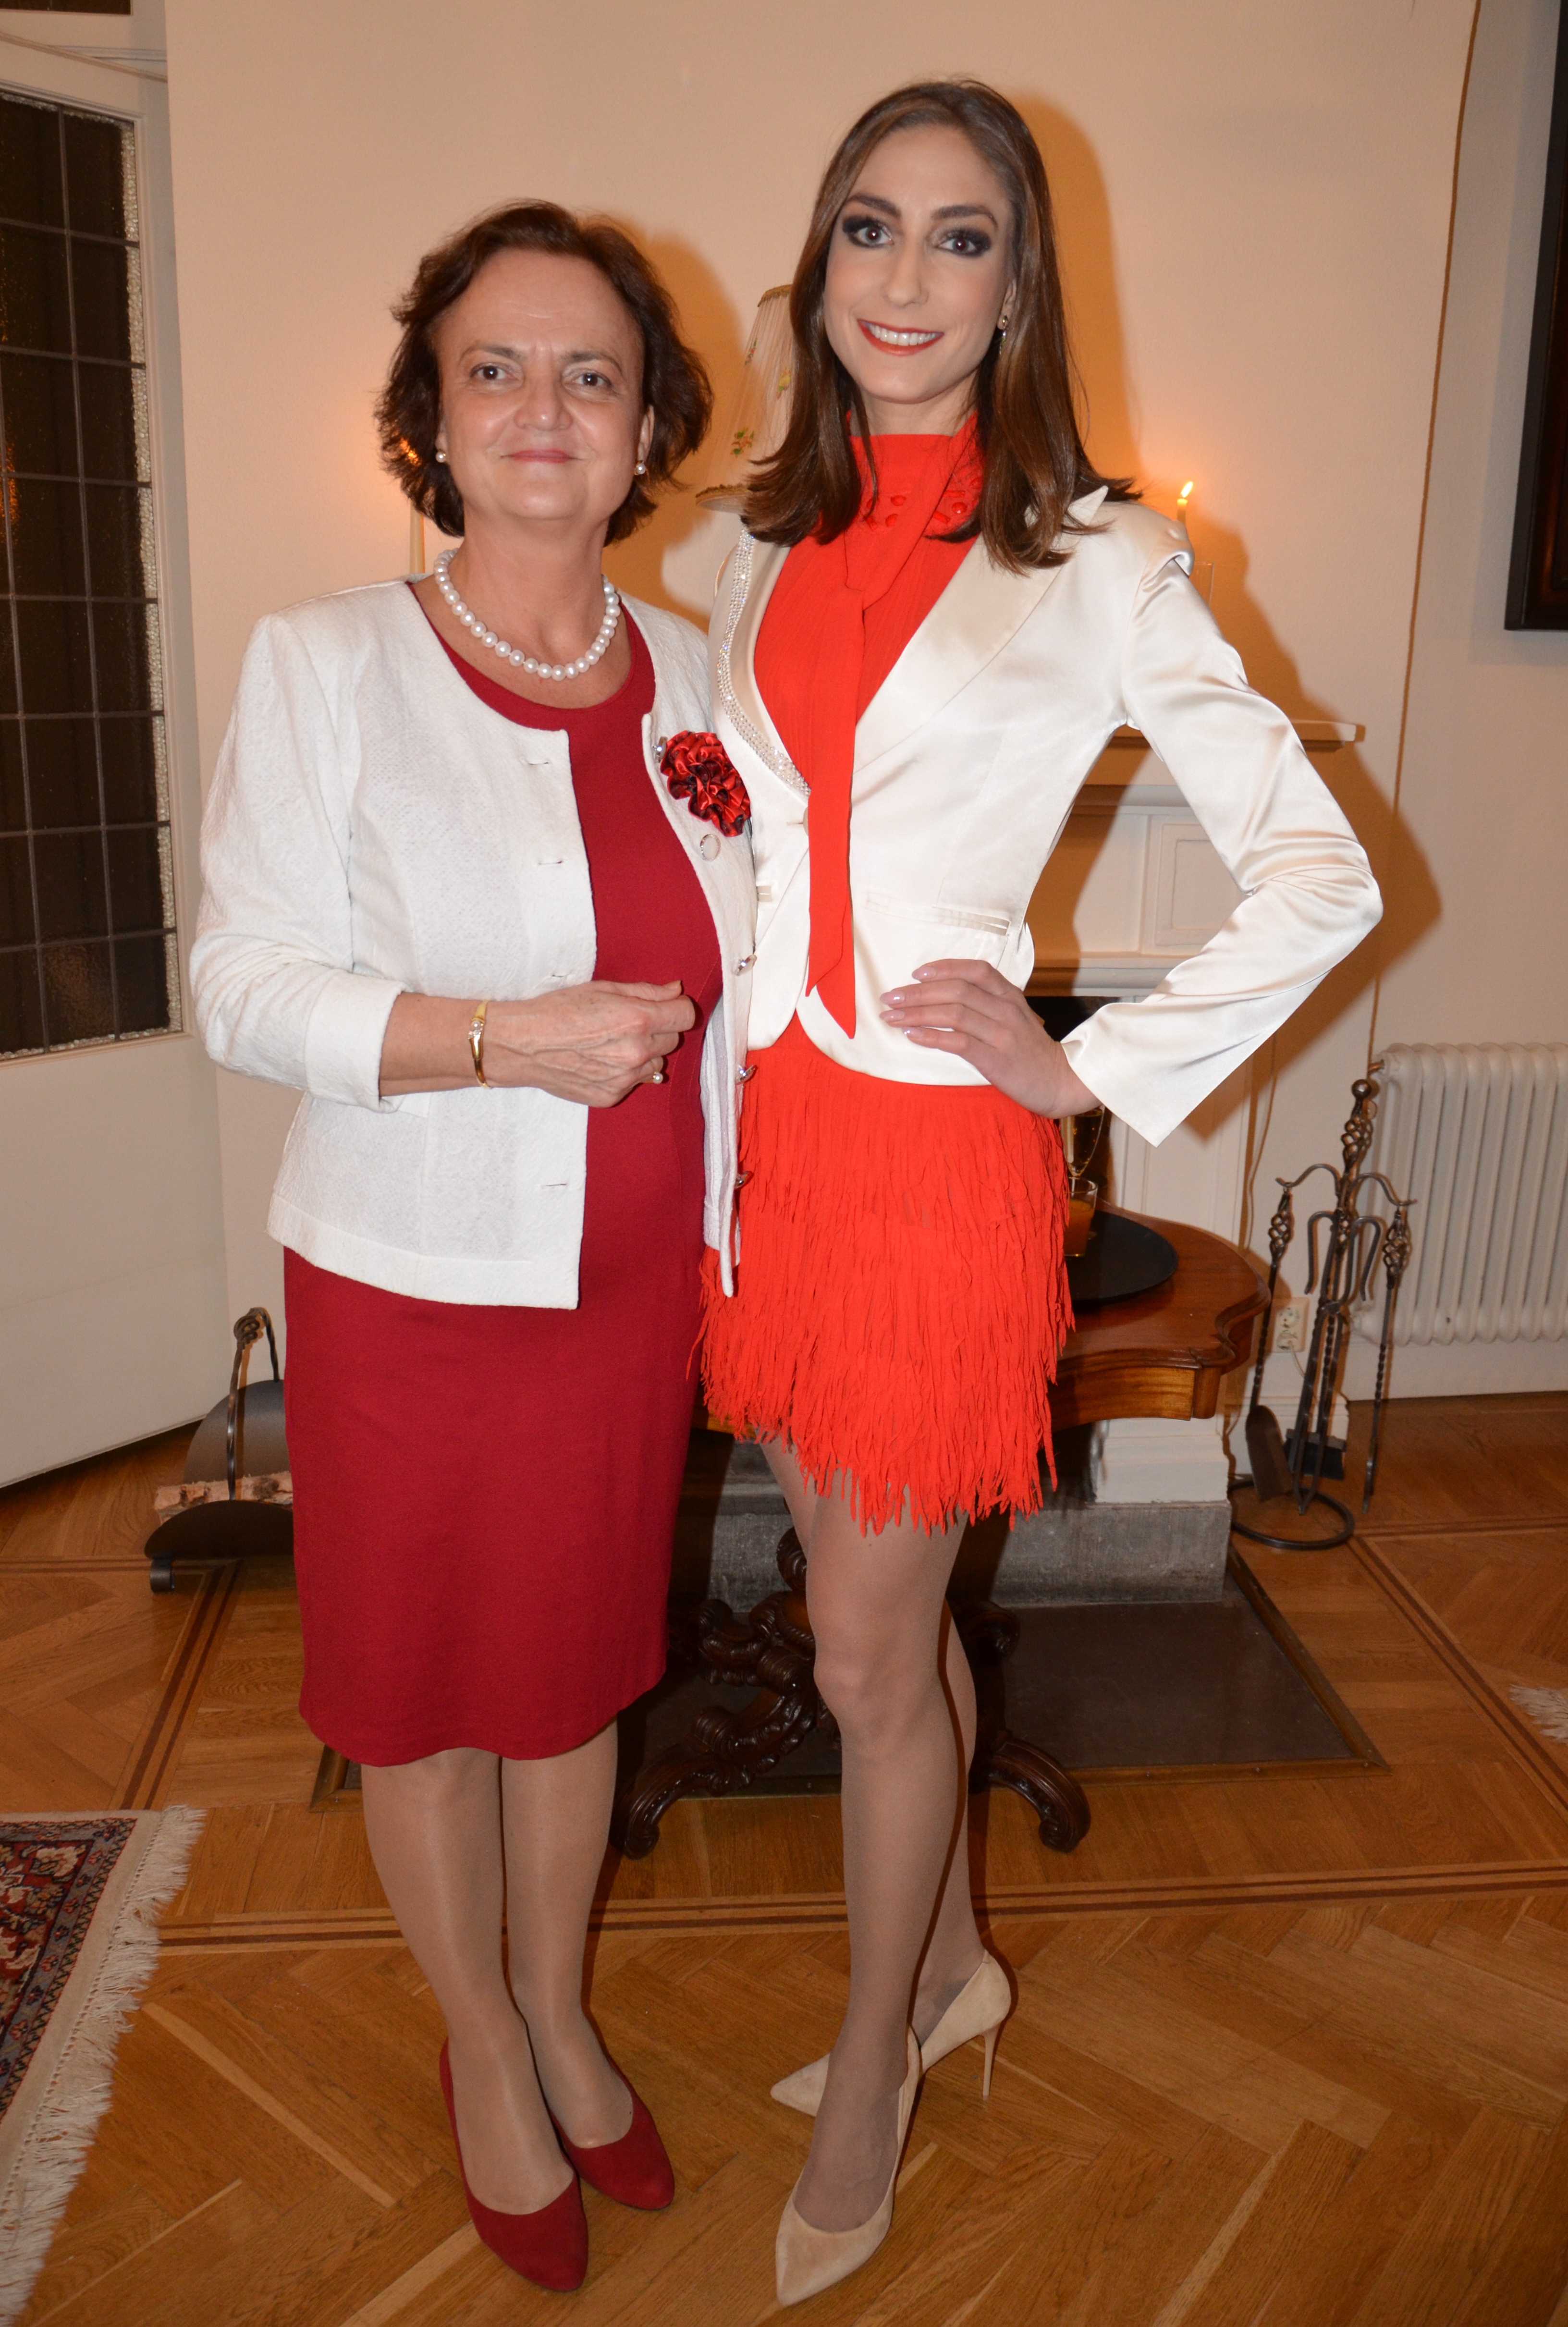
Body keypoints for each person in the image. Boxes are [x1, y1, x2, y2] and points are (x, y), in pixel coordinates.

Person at [701, 81, 1382, 2305]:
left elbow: (1323, 868)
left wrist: (1087, 1062)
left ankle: (874, 2059)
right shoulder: (761, 537)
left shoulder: (1101, 556)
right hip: (776, 1148)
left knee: (860, 1650)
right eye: (868, 228)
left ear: (1021, 290)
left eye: (960, 237)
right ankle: (958, 1960)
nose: (904, 278)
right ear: (821, 262)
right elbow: (749, 824)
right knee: (881, 1635)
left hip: (934, 1166)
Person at [191, 202, 755, 2293]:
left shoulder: (706, 676)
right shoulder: (329, 659)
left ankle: (562, 2002)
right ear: (430, 417)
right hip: (413, 1282)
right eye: (494, 368)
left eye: (591, 372)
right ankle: (488, 2044)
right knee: (432, 1696)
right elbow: (239, 980)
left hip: (627, 1286)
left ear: (646, 429)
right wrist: (502, 1038)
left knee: (572, 1674)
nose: (543, 406)